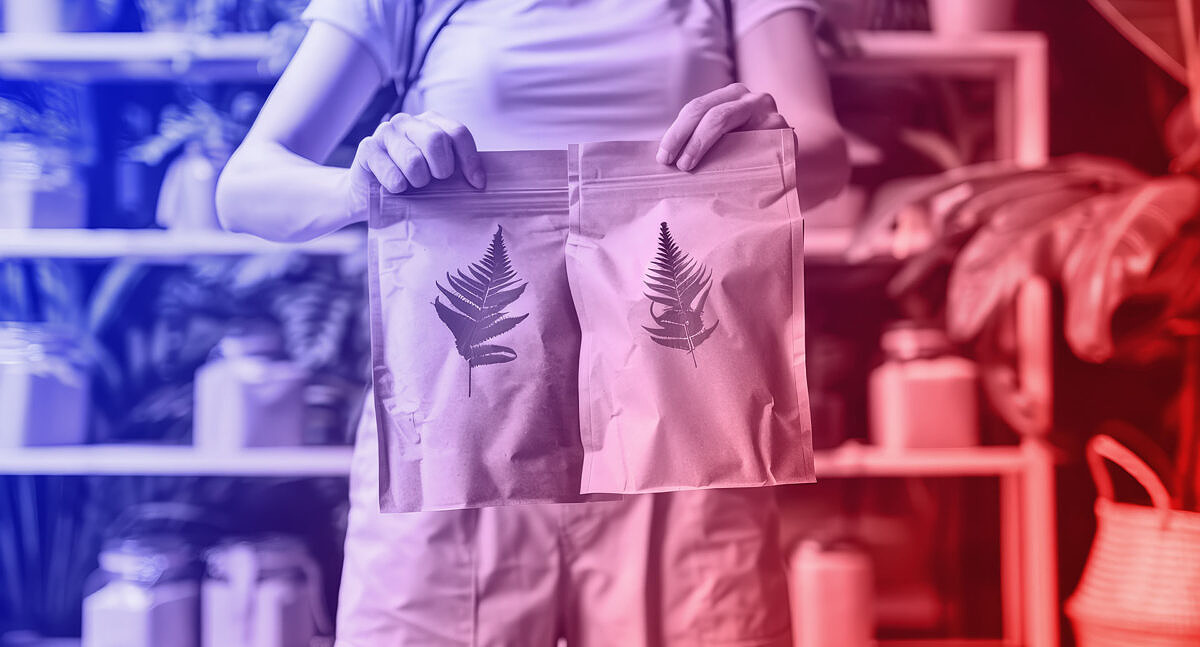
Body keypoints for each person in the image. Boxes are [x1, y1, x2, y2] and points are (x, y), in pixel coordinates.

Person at [216, 1, 848, 645]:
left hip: (683, 420)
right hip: (458, 426)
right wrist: (363, 184)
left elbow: (826, 154)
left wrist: (777, 148)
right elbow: (244, 187)